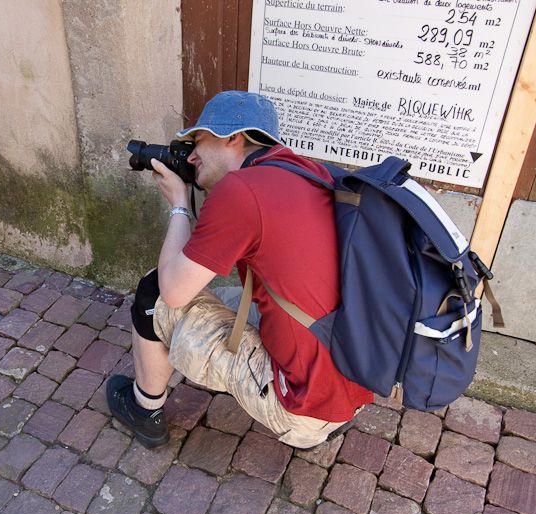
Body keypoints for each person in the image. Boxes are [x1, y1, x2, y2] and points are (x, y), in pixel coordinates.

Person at [107, 90, 373, 449]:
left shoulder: (242, 190)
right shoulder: (306, 172)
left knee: (154, 294)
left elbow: (174, 290)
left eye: (198, 141)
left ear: (234, 137)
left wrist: (179, 204)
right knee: (228, 296)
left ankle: (145, 411)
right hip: (350, 379)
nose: (193, 155)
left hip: (300, 407)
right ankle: (324, 412)